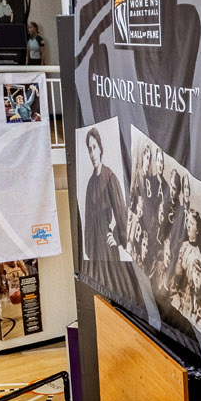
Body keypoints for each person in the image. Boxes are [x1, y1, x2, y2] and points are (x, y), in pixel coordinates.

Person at [79, 127, 135, 297]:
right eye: (89, 149)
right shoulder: (90, 184)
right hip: (95, 250)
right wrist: (89, 250)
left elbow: (122, 214)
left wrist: (117, 237)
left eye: (95, 147)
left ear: (101, 148)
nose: (92, 153)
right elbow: (88, 221)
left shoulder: (110, 177)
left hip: (107, 248)